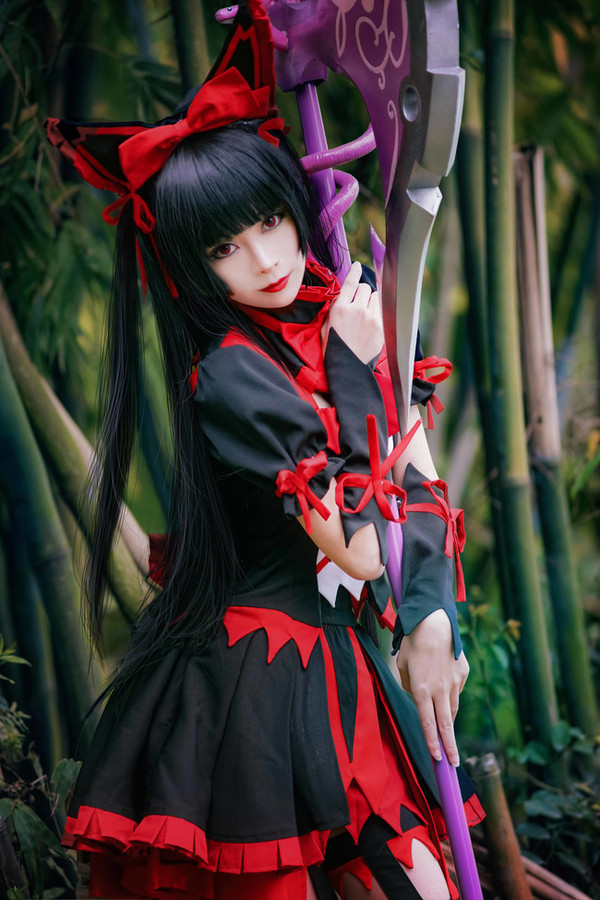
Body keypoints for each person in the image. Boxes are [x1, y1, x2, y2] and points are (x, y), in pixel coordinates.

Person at [45, 2, 482, 898]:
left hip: (344, 665)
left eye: (272, 222)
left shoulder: (343, 310)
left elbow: (419, 483)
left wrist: (431, 615)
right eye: (226, 247)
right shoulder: (230, 377)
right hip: (249, 681)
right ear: (193, 268)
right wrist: (355, 373)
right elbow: (360, 546)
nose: (265, 258)